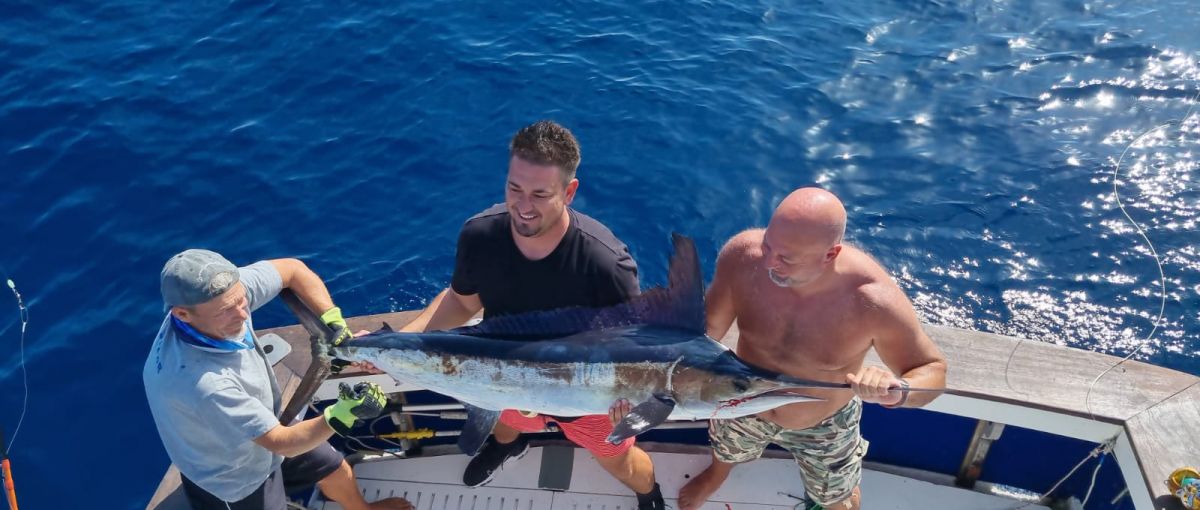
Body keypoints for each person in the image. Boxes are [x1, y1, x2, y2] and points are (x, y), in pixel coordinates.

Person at [400, 120, 664, 509]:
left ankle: (650, 493)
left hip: (587, 398)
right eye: (514, 188)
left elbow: (632, 351)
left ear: (569, 192)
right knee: (507, 426)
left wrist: (630, 403)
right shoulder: (480, 235)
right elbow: (461, 302)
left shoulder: (606, 264)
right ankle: (512, 444)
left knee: (620, 461)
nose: (523, 207)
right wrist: (402, 343)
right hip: (507, 382)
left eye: (540, 194)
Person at [676, 187, 948, 510]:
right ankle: (717, 474)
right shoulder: (742, 257)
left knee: (835, 500)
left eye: (785, 258)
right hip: (744, 401)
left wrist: (898, 391)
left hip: (824, 422)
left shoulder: (873, 299)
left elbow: (932, 371)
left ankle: (839, 498)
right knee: (726, 449)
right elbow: (703, 337)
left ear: (830, 254)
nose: (766, 262)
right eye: (767, 245)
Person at [144, 249, 412, 510]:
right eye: (226, 310)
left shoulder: (219, 299)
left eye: (242, 300)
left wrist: (333, 321)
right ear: (181, 314)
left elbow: (292, 269)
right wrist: (344, 412)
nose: (242, 314)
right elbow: (282, 442)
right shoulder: (204, 383)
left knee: (334, 467)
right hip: (233, 475)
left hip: (266, 424)